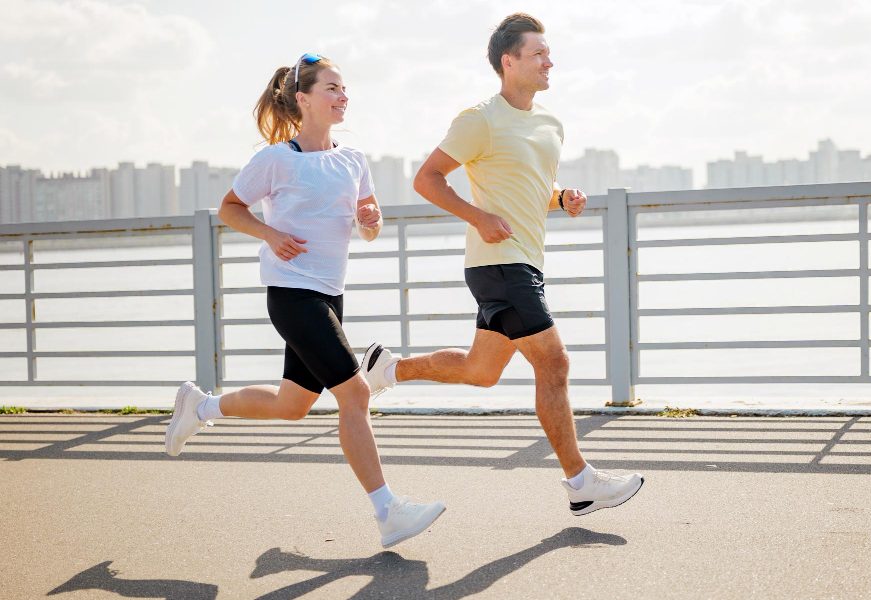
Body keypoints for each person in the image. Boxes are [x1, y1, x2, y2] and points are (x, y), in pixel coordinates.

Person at [361, 14, 644, 516]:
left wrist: (562, 198)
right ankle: (581, 481)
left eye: (548, 52)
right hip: (498, 261)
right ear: (508, 62)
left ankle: (389, 368)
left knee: (481, 371)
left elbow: (529, 189)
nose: (549, 61)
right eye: (538, 53)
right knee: (553, 363)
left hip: (524, 260)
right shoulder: (480, 119)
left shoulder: (551, 124)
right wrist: (478, 216)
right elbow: (427, 179)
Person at [164, 53, 445, 548]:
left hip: (330, 294)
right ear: (303, 98)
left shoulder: (354, 160)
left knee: (292, 404)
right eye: (332, 88)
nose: (343, 96)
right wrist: (270, 235)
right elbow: (230, 208)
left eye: (344, 89)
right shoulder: (275, 159)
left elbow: (368, 229)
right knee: (355, 394)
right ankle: (389, 513)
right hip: (293, 294)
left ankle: (200, 406)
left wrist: (371, 220)